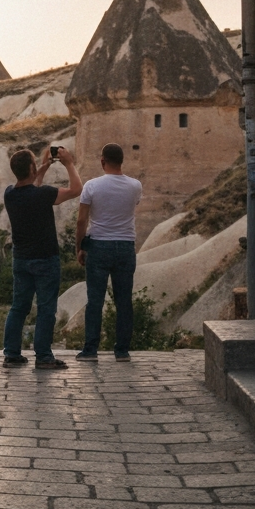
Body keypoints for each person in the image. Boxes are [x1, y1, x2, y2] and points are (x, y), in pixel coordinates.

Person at [2, 146, 82, 370]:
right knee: (46, 308)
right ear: (31, 168)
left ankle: (11, 354)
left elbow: (30, 188)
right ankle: (44, 356)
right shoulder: (44, 194)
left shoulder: (10, 193)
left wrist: (42, 169)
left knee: (18, 307)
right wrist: (68, 163)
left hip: (21, 260)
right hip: (46, 259)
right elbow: (77, 189)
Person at [75, 143, 143, 362]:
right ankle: (122, 351)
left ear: (102, 161)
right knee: (124, 301)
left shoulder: (92, 186)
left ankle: (90, 350)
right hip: (125, 246)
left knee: (95, 300)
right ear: (121, 161)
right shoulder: (135, 186)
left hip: (99, 245)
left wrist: (80, 247)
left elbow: (81, 220)